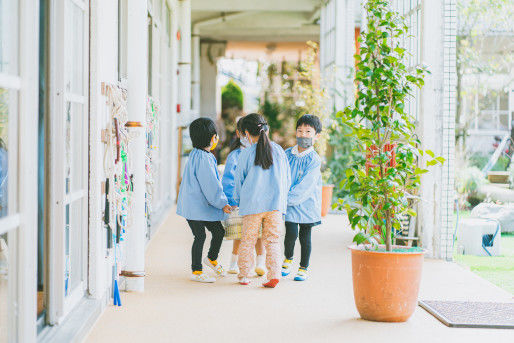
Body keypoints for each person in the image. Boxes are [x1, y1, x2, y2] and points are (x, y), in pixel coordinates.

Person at [234, 113, 291, 288]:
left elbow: (239, 180)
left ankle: (244, 275)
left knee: (248, 240)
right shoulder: (279, 150)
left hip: (252, 206)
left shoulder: (246, 153)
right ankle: (274, 274)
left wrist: (237, 200)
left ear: (246, 133)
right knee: (273, 240)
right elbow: (287, 178)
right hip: (275, 206)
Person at [176, 118, 232, 283]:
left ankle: (211, 259)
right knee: (200, 236)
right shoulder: (205, 159)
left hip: (197, 206)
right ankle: (197, 270)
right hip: (196, 207)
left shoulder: (196, 154)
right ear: (212, 138)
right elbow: (211, 186)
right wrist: (223, 203)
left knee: (218, 231)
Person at [222, 117, 266, 276]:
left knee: (258, 234)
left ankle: (260, 263)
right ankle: (234, 263)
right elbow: (228, 179)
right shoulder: (235, 155)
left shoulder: (261, 151)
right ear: (240, 133)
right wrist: (232, 200)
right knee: (239, 234)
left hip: (257, 203)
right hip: (240, 203)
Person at [282, 114, 322, 281]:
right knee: (290, 233)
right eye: (300, 131)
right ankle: (288, 258)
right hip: (288, 203)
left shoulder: (314, 159)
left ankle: (303, 267)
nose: (303, 135)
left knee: (305, 236)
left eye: (308, 131)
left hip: (307, 203)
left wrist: (287, 199)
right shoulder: (286, 154)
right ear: (295, 132)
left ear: (316, 136)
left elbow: (307, 186)